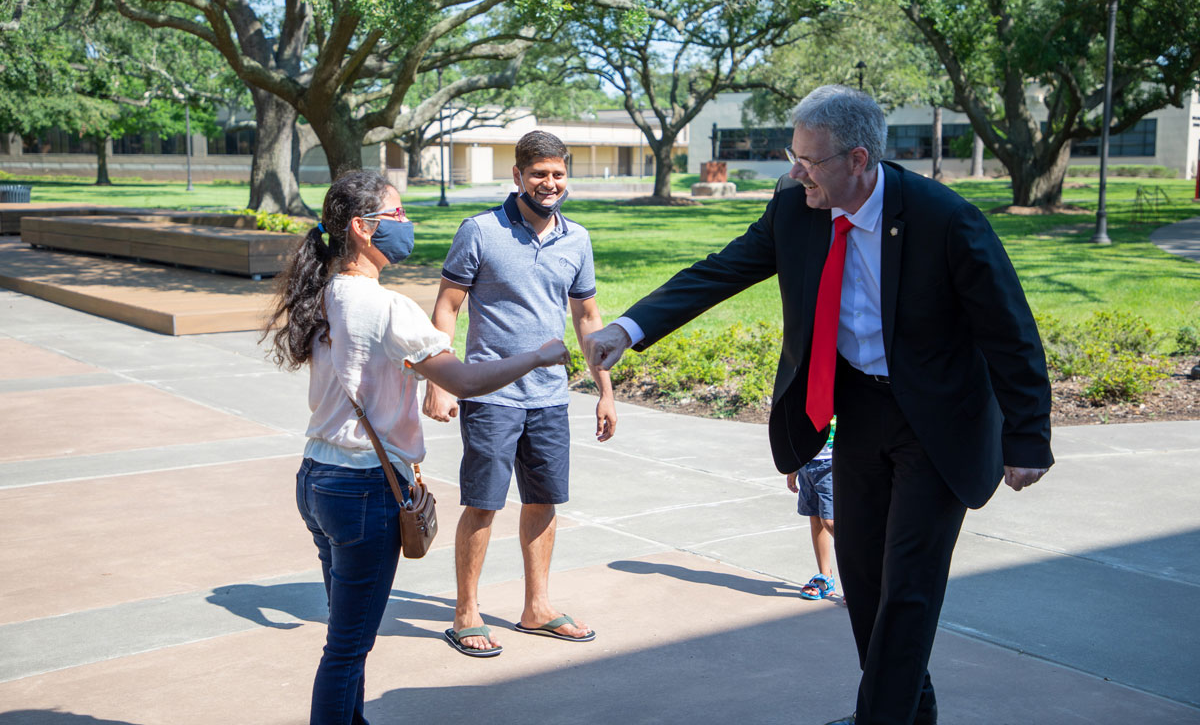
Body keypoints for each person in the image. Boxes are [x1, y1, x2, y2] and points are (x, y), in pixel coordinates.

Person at [583, 86, 1053, 725]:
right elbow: (721, 271)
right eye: (792, 155)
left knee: (908, 590)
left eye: (809, 160)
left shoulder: (946, 219)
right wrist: (629, 328)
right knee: (864, 584)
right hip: (860, 410)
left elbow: (1010, 332)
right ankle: (907, 715)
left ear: (858, 159)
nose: (793, 171)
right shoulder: (795, 208)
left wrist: (1028, 437)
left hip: (940, 420)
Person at [262, 169, 569, 725]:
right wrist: (537, 357)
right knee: (348, 647)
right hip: (363, 488)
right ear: (363, 228)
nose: (407, 225)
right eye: (397, 216)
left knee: (345, 635)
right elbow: (466, 382)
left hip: (317, 479)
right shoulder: (389, 308)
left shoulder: (323, 292)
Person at [423, 130, 617, 658]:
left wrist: (604, 390)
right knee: (483, 504)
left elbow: (588, 318)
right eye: (538, 174)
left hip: (550, 397)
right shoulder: (480, 231)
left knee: (543, 501)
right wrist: (440, 381)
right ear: (517, 176)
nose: (549, 183)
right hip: (490, 394)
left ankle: (538, 608)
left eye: (557, 174)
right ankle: (466, 612)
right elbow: (448, 307)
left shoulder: (576, 238)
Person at [788, 416, 836, 601]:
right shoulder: (803, 389)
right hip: (807, 460)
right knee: (816, 518)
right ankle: (826, 578)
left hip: (832, 462)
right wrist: (793, 465)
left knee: (830, 521)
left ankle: (858, 579)